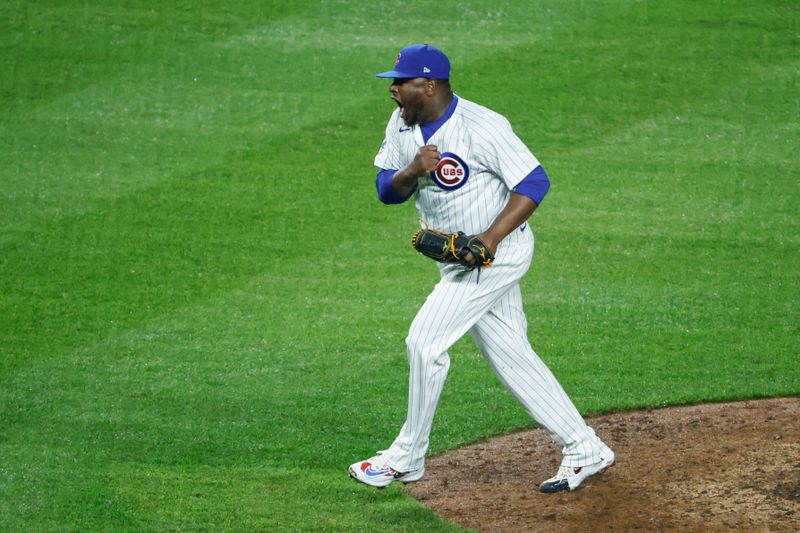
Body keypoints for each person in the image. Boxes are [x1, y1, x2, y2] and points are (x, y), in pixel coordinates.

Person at [349, 44, 615, 493]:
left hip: (497, 256)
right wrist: (412, 170)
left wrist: (489, 239)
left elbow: (534, 182)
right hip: (456, 262)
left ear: (428, 85)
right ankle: (583, 446)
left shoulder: (482, 126)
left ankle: (407, 456)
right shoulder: (401, 123)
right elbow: (384, 190)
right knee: (511, 353)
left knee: (424, 341)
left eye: (401, 82)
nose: (393, 90)